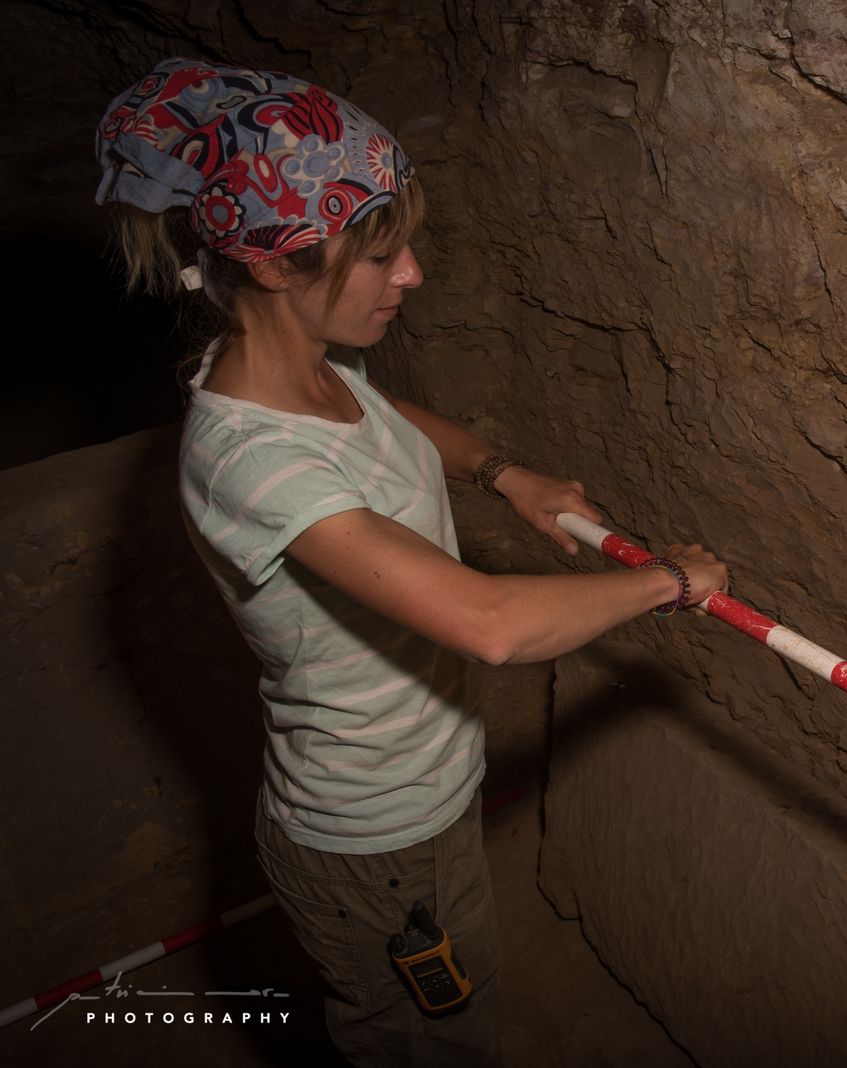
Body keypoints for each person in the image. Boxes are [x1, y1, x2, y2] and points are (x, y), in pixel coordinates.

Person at [95, 57, 728, 1067]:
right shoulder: (253, 460)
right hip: (375, 836)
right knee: (436, 1039)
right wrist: (673, 581)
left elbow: (379, 414)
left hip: (423, 790)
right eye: (382, 255)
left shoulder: (303, 365)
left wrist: (503, 474)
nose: (413, 276)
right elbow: (490, 626)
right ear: (275, 266)